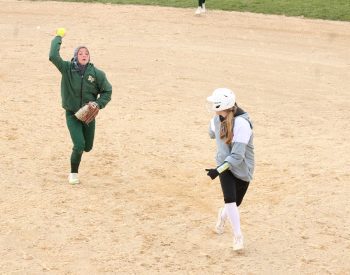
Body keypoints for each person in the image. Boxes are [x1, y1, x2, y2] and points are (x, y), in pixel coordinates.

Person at [49, 28, 112, 184]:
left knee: (88, 147)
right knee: (79, 145)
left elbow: (107, 91)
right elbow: (52, 56)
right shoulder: (67, 68)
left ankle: (79, 156)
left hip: (88, 115)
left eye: (86, 53)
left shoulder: (97, 74)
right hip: (72, 114)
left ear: (89, 57)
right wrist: (58, 37)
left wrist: (98, 103)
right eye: (80, 53)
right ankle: (73, 174)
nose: (84, 55)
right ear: (76, 56)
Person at [205, 88, 254, 251]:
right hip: (224, 164)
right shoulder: (216, 119)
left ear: (222, 105)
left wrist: (217, 171)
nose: (212, 106)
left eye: (215, 104)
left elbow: (237, 156)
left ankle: (222, 214)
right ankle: (238, 237)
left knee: (235, 203)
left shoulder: (242, 124)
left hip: (241, 169)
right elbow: (212, 134)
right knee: (230, 200)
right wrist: (220, 168)